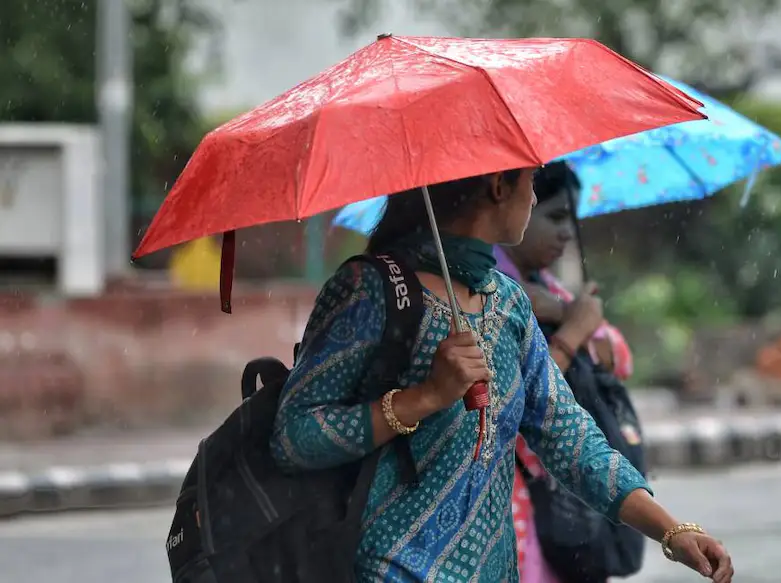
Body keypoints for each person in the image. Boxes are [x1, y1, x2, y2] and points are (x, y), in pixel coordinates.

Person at [270, 168, 734, 583]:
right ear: (498, 186)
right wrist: (424, 397)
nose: (532, 198)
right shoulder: (368, 290)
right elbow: (293, 436)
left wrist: (671, 531)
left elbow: (568, 436)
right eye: (530, 181)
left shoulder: (508, 302)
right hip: (387, 569)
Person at [496, 161, 644, 583]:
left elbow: (618, 357)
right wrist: (575, 328)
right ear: (510, 200)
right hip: (511, 497)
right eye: (555, 215)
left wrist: (565, 313)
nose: (566, 232)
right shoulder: (488, 291)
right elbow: (514, 403)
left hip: (560, 491)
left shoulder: (546, 286)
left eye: (571, 218)